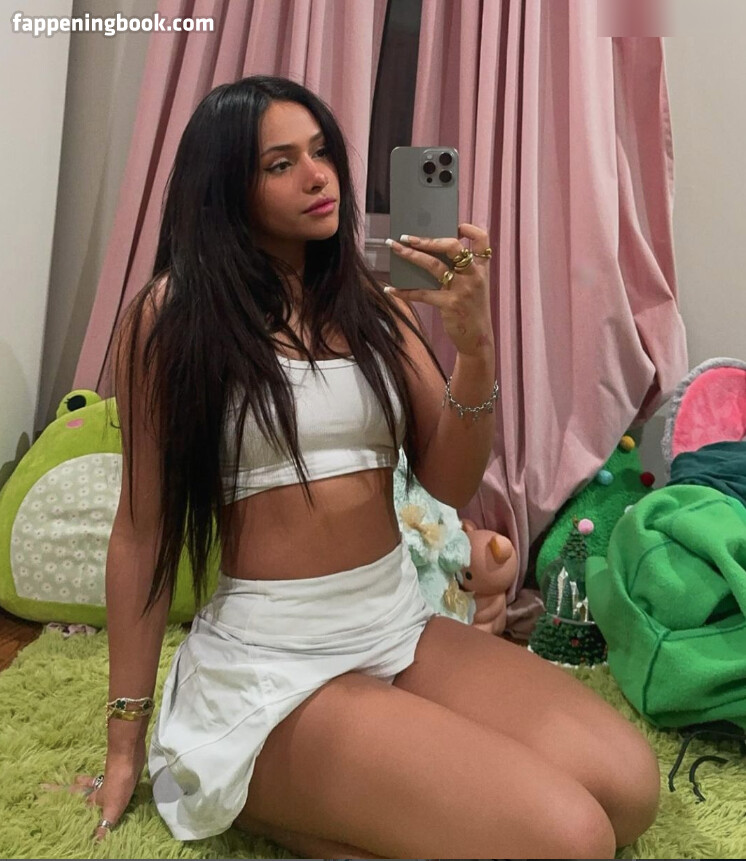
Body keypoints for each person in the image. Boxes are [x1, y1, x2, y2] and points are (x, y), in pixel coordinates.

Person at [64, 75, 660, 859]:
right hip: (272, 663)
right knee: (572, 838)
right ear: (225, 186)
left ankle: (351, 795)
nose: (318, 176)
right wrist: (123, 742)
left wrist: (476, 350)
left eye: (321, 152)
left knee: (629, 789)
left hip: (395, 625)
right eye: (280, 164)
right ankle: (245, 781)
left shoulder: (370, 305)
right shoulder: (172, 317)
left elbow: (447, 483)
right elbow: (141, 533)